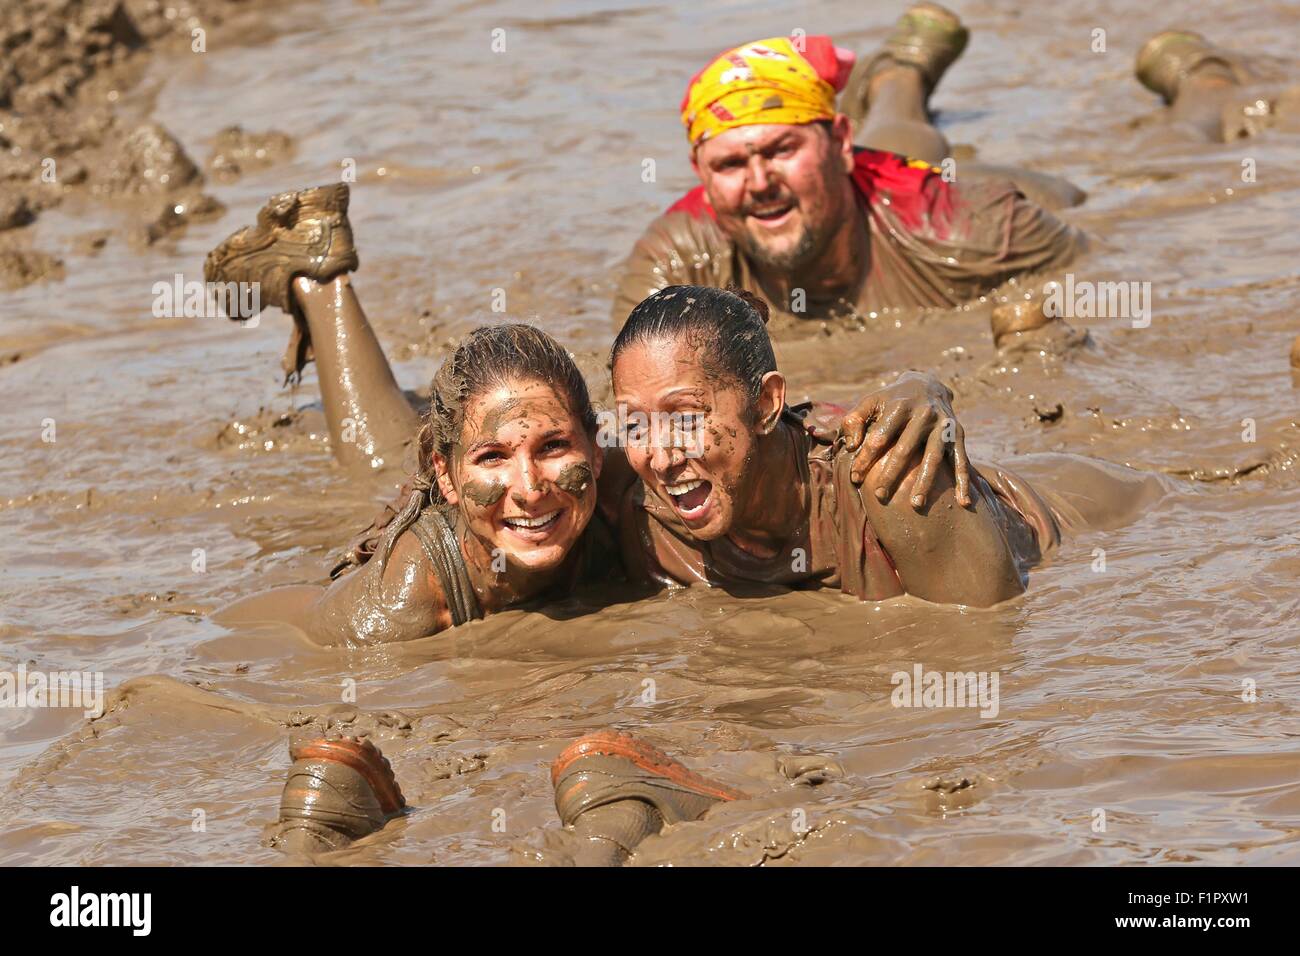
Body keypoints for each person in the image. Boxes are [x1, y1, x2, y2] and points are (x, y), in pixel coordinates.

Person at [611, 285, 1170, 608]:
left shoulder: (892, 479)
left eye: (686, 418)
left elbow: (986, 651)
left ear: (765, 405)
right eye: (634, 425)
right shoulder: (640, 513)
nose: (659, 457)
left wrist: (924, 384)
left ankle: (1045, 343)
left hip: (1098, 505)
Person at [611, 6, 1088, 327]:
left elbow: (1098, 266)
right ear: (701, 174)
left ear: (841, 141)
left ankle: (903, 71)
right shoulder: (676, 267)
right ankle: (896, 72)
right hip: (856, 186)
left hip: (896, 195)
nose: (759, 183)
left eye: (781, 150)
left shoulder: (971, 230)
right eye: (731, 163)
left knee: (1059, 189)